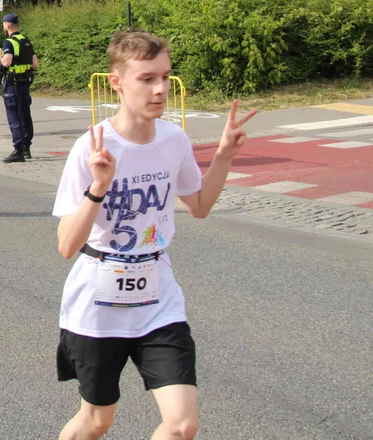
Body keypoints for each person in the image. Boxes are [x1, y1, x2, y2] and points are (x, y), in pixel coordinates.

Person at [52, 31, 257, 440]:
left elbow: (198, 205)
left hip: (158, 300)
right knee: (96, 421)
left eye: (165, 76)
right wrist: (99, 187)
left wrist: (224, 157)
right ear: (117, 82)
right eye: (147, 79)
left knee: (182, 426)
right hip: (98, 304)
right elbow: (66, 245)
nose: (161, 88)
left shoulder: (173, 139)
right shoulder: (91, 148)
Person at [0, 13, 39, 163]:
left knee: (14, 116)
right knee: (26, 115)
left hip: (12, 84)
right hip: (24, 84)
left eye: (3, 25)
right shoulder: (26, 41)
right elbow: (35, 63)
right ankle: (27, 148)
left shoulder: (9, 42)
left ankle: (18, 150)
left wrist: (0, 57)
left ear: (7, 25)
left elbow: (7, 62)